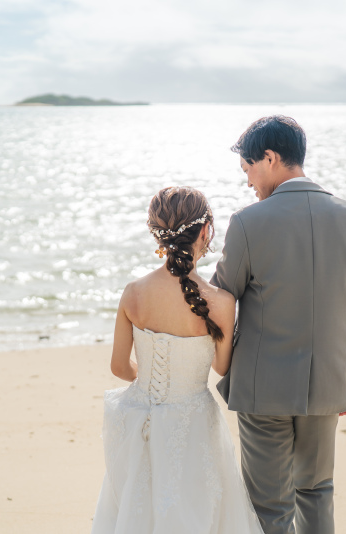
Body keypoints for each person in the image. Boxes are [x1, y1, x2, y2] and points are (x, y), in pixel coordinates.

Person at [211, 115, 346, 534]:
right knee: (317, 490)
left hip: (261, 388)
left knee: (269, 507)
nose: (248, 181)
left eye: (248, 168)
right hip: (328, 384)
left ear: (270, 158)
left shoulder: (248, 222)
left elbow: (220, 299)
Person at [91, 186, 264, 533]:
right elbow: (221, 367)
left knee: (136, 510)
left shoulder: (133, 293)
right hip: (192, 422)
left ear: (156, 233)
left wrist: (154, 381)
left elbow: (119, 368)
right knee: (195, 512)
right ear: (205, 232)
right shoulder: (221, 302)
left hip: (139, 418)